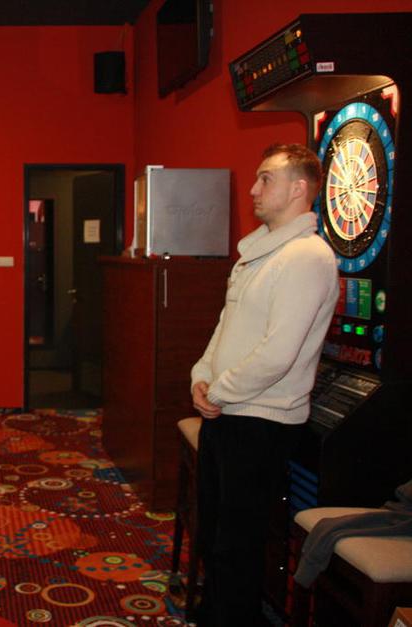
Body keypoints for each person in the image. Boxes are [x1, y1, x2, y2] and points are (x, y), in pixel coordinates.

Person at [189, 144, 339, 625]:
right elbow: (225, 327)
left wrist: (219, 391)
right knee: (214, 534)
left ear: (299, 189)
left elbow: (279, 353)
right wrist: (201, 376)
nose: (253, 189)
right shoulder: (257, 254)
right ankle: (215, 613)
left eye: (266, 179)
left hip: (261, 422)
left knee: (237, 543)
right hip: (228, 413)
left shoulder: (307, 257)